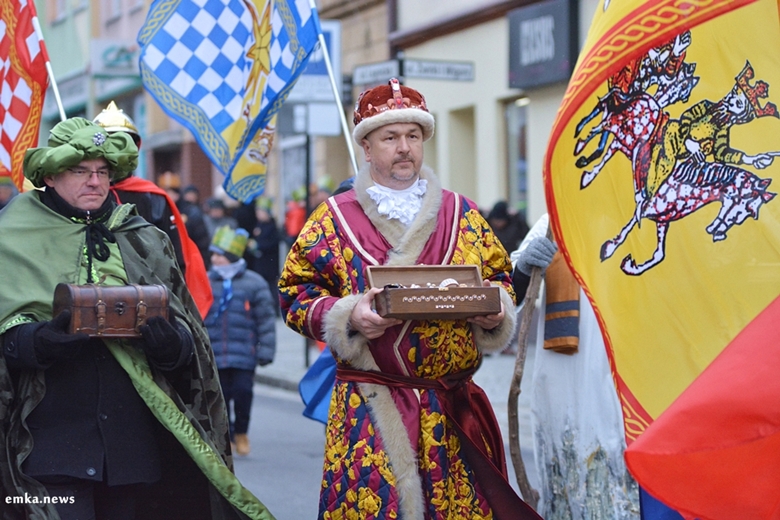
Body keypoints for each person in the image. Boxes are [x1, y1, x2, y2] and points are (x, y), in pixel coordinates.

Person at [278, 78, 541, 520]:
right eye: (390, 137)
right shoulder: (333, 219)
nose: (404, 148)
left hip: (450, 409)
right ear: (366, 147)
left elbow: (498, 279)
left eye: (413, 136)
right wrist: (350, 315)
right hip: (370, 410)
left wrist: (495, 309)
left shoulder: (463, 213)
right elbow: (295, 294)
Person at [0, 117, 271, 519]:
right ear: (51, 177)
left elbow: (188, 339)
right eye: (80, 171)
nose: (94, 181)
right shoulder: (12, 234)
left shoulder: (143, 236)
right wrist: (35, 342)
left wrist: (171, 346)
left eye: (102, 171)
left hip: (132, 452)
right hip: (50, 449)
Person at [512, 214, 640, 519]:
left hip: (631, 369)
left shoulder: (645, 211)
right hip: (566, 374)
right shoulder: (557, 217)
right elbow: (509, 291)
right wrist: (524, 267)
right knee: (572, 485)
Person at [93, 101, 212, 319]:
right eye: (109, 141)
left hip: (146, 297)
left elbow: (174, 258)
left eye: (123, 142)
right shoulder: (83, 194)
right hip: (94, 296)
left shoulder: (153, 197)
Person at [204, 226, 276, 457]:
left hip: (245, 351)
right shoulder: (205, 280)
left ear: (232, 256)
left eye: (220, 255)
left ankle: (242, 432)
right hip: (215, 351)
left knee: (244, 393)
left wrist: (265, 350)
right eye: (213, 254)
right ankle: (227, 435)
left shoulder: (254, 283)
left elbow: (265, 320)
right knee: (221, 398)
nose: (214, 259)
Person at [158, 171, 212, 270]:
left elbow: (201, 241)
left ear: (177, 194)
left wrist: (203, 265)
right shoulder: (158, 212)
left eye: (170, 192)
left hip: (187, 261)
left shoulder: (191, 212)